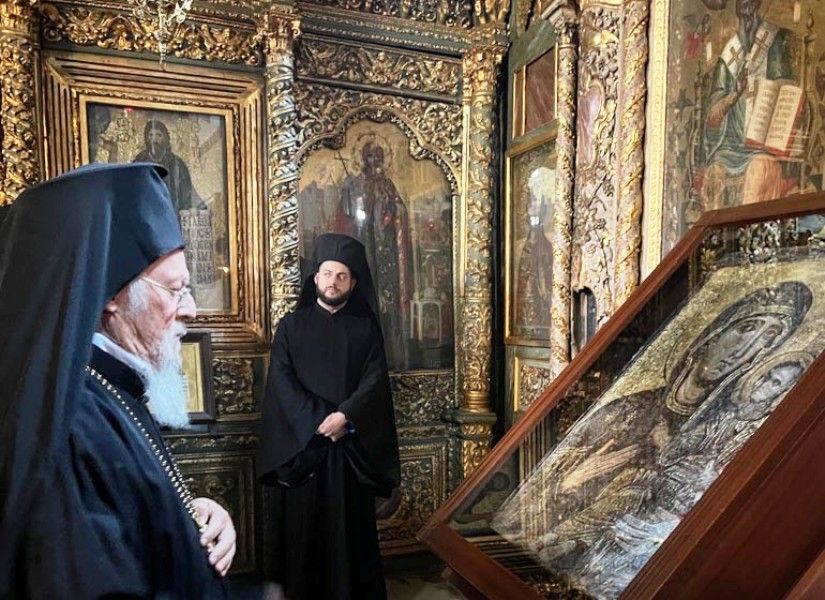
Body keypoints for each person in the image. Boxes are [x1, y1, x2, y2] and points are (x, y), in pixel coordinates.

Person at [0, 163, 235, 597]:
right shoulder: (67, 430)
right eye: (175, 289)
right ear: (110, 294)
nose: (191, 309)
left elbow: (131, 510)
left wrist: (191, 517)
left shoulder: (116, 387)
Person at [257, 233, 400, 600]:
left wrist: (346, 416)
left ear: (353, 282)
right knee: (304, 531)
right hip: (304, 449)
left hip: (349, 449)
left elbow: (374, 381)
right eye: (327, 274)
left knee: (350, 533)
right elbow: (282, 381)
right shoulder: (291, 326)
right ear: (315, 277)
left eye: (341, 276)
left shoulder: (366, 329)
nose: (333, 282)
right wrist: (322, 421)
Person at [701, 0, 795, 206]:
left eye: (751, 10)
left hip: (761, 145)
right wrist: (734, 94)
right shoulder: (729, 54)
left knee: (760, 170)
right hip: (729, 147)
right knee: (714, 175)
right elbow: (712, 116)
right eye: (743, 15)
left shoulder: (774, 40)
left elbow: (786, 90)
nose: (748, 19)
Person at [335, 141, 414, 371]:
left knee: (387, 304)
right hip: (363, 246)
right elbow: (344, 217)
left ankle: (393, 356)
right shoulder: (353, 185)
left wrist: (391, 212)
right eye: (370, 156)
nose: (374, 161)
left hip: (385, 251)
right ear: (363, 158)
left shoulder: (387, 185)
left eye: (378, 157)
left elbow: (399, 211)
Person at [133, 119, 196, 213]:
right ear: (146, 138)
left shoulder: (177, 164)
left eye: (159, 135)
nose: (154, 140)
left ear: (165, 138)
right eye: (151, 135)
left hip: (170, 213)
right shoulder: (139, 161)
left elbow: (186, 195)